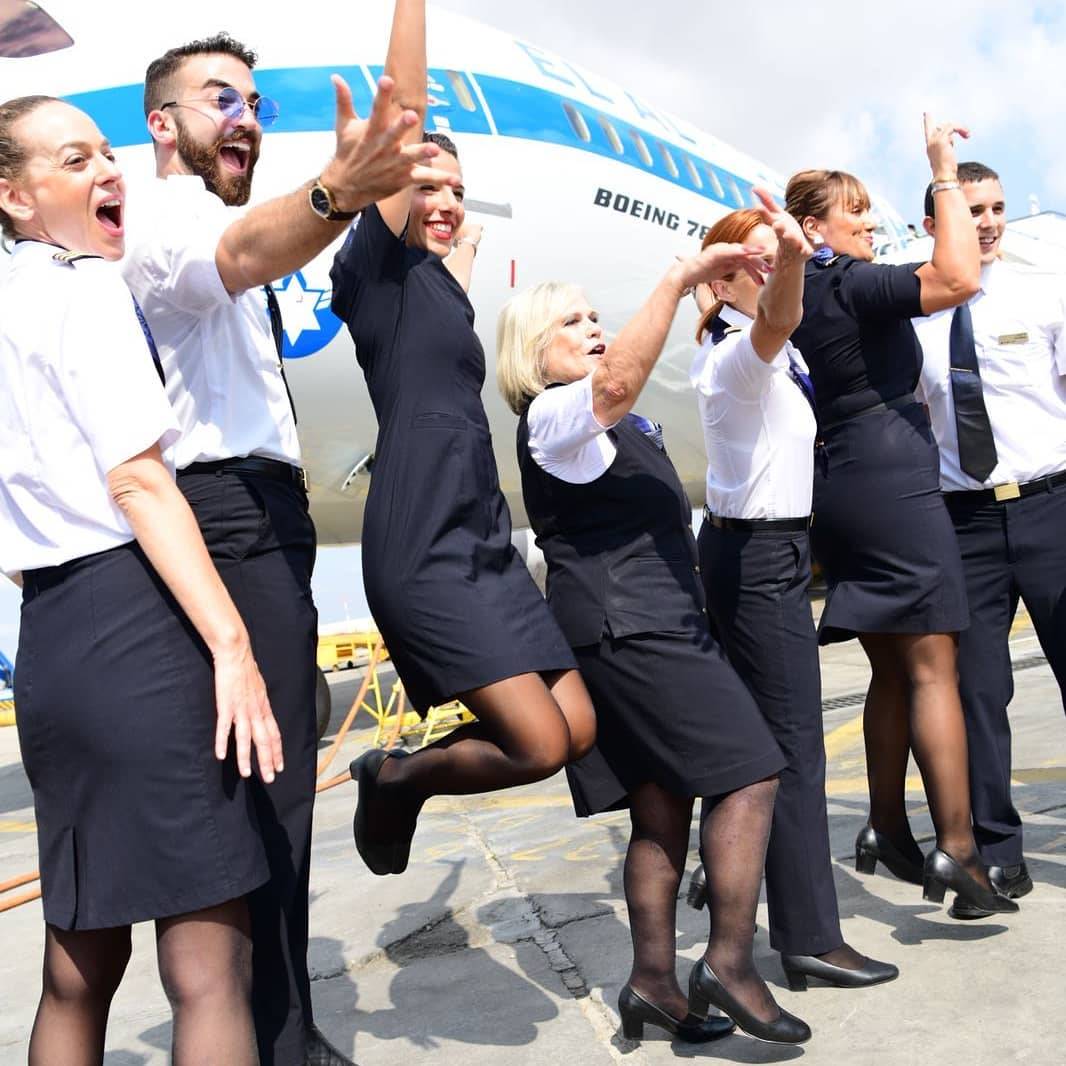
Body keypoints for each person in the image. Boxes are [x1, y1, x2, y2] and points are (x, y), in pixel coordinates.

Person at [120, 23, 456, 1066]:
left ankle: (280, 1032)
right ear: (161, 122)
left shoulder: (205, 217)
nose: (247, 118)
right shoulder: (167, 219)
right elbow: (242, 250)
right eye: (221, 98)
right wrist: (334, 193)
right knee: (260, 798)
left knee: (270, 794)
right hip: (225, 516)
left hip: (260, 518)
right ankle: (275, 1041)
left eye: (256, 104)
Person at [0, 94, 283, 1066]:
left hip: (52, 642)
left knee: (76, 969)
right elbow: (138, 478)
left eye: (104, 151)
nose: (105, 169)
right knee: (208, 968)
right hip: (135, 630)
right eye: (73, 159)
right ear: (15, 195)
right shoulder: (83, 289)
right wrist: (232, 645)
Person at [496, 202, 813, 1046]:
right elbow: (614, 387)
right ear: (536, 354)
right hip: (633, 631)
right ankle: (731, 962)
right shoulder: (556, 415)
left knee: (662, 810)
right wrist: (677, 281)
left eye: (596, 315)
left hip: (648, 625)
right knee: (750, 771)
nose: (593, 328)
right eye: (572, 322)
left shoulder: (621, 425)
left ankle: (650, 982)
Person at [329, 0, 596, 888]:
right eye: (427, 187)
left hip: (482, 532)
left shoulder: (443, 286)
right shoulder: (372, 272)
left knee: (579, 729)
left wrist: (464, 242)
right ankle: (395, 775)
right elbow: (401, 122)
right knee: (539, 742)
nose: (442, 203)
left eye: (456, 191)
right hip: (423, 538)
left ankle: (408, 772)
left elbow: (451, 262)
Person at [785, 115, 1017, 917]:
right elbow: (958, 277)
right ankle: (959, 850)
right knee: (932, 665)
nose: (871, 223)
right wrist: (943, 168)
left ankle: (886, 826)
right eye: (856, 212)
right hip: (892, 479)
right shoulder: (851, 282)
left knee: (889, 665)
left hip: (841, 481)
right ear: (815, 226)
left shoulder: (800, 290)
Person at [684, 201, 897, 991]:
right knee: (796, 750)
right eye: (758, 258)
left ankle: (729, 874)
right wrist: (798, 256)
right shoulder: (743, 354)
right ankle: (808, 935)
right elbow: (780, 317)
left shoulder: (736, 347)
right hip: (761, 555)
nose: (773, 266)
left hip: (753, 551)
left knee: (754, 744)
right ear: (729, 274)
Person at [913, 161, 1066, 916]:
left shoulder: (1045, 293)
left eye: (998, 206)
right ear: (937, 218)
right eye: (973, 208)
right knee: (977, 692)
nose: (990, 221)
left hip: (1051, 505)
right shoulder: (913, 317)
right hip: (964, 523)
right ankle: (997, 856)